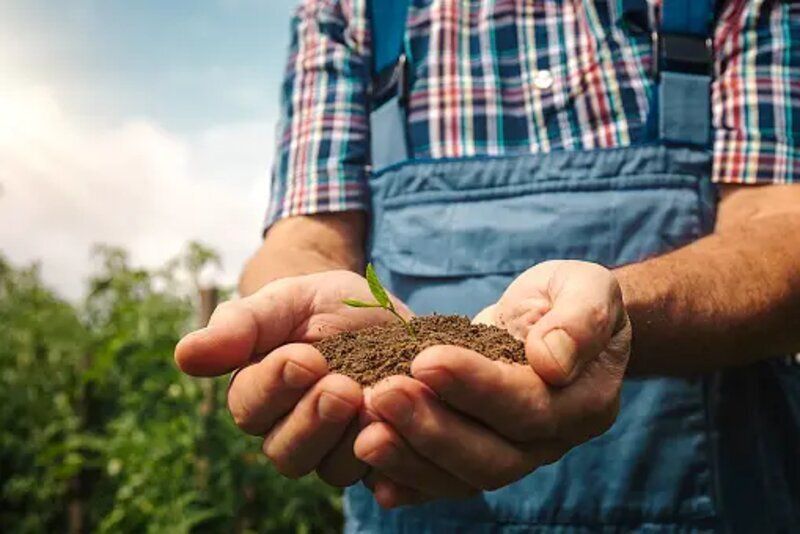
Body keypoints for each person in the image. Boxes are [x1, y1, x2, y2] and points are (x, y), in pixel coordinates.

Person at [175, 0, 800, 531]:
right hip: (401, 474)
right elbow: (306, 235)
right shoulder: (353, 11)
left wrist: (620, 315)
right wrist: (287, 304)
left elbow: (780, 227)